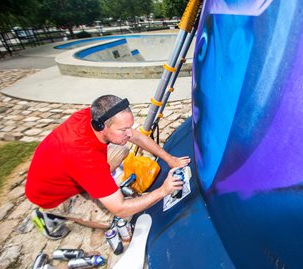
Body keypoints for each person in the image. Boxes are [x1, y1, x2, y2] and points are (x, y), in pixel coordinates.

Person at [25, 94, 190, 239]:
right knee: (118, 220)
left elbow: (136, 136)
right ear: (101, 126)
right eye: (123, 129)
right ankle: (49, 215)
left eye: (129, 126)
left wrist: (170, 159)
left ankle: (97, 188)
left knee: (122, 148)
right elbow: (121, 209)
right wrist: (163, 190)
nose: (129, 132)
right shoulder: (86, 158)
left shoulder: (93, 116)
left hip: (70, 169)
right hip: (51, 196)